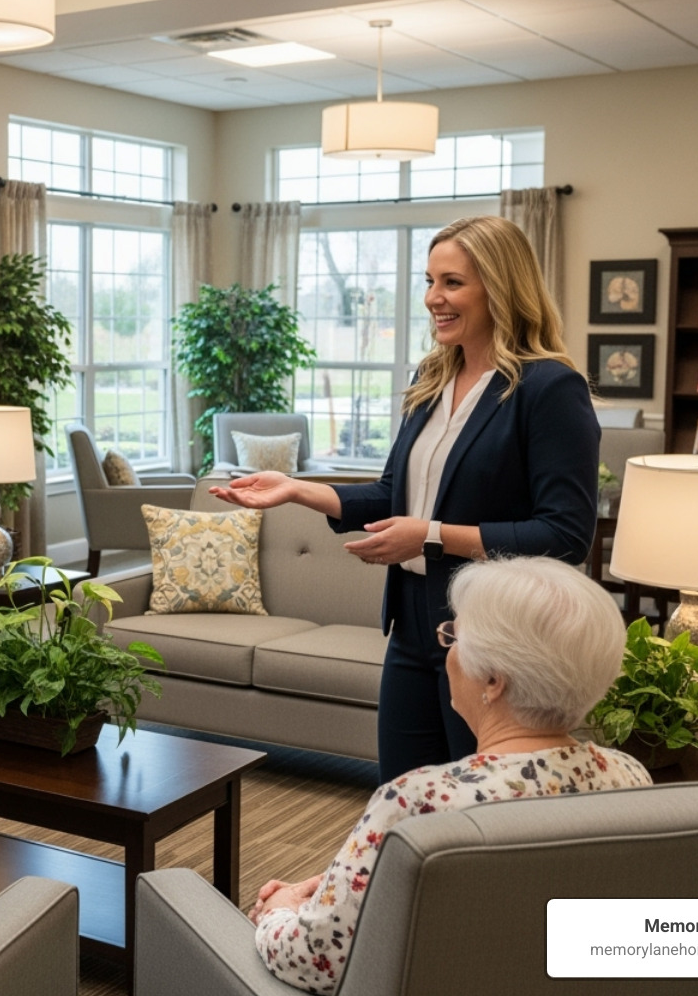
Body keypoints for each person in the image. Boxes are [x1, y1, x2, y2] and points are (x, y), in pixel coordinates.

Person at [213, 216, 598, 782]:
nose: (432, 299)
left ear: (500, 286)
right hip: (414, 625)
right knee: (405, 793)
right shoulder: (433, 376)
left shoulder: (548, 388)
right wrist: (299, 490)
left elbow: (565, 536)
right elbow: (396, 494)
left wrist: (432, 536)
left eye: (451, 283)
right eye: (429, 281)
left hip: (493, 634)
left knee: (478, 803)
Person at [249, 557, 651, 994]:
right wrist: (335, 888)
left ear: (494, 679)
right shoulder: (629, 776)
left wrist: (280, 910)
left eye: (454, 636)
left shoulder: (420, 801)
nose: (450, 651)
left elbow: (316, 959)